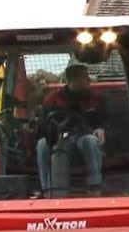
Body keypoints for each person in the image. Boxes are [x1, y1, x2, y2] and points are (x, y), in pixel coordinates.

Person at [36, 62, 106, 196]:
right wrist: (52, 132)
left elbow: (106, 119)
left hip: (84, 135)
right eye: (85, 77)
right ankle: (47, 189)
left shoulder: (97, 99)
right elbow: (43, 125)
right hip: (58, 137)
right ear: (72, 80)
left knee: (91, 141)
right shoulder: (53, 100)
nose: (89, 80)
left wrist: (101, 129)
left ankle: (94, 186)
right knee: (42, 145)